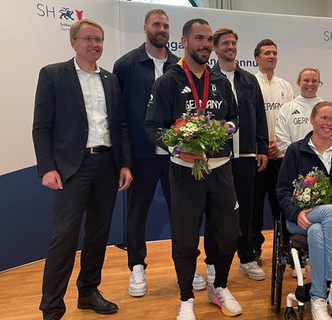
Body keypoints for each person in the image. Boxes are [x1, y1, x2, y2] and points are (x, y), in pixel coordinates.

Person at [32, 19, 133, 320]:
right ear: (73, 42)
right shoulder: (52, 75)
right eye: (88, 39)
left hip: (107, 164)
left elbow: (121, 125)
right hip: (70, 169)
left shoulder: (111, 79)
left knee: (98, 234)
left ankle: (88, 291)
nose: (94, 45)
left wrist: (125, 163)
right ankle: (51, 307)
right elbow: (41, 128)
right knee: (64, 237)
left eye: (99, 39)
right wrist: (47, 168)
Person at [144, 18, 242, 319]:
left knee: (229, 235)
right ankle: (186, 298)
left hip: (221, 170)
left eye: (209, 39)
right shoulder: (168, 81)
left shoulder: (221, 81)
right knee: (186, 238)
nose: (206, 45)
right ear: (184, 42)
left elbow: (235, 120)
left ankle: (220, 286)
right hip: (184, 173)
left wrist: (224, 128)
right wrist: (176, 146)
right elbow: (151, 126)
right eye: (199, 38)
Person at [113, 8, 206, 297]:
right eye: (156, 24)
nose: (161, 29)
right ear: (145, 28)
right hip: (141, 155)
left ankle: (185, 268)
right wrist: (124, 160)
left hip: (177, 155)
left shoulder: (181, 68)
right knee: (137, 213)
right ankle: (137, 267)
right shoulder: (126, 65)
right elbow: (121, 118)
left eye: (165, 25)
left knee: (182, 213)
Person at [277, 101, 332, 320]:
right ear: (312, 120)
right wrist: (296, 213)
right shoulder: (296, 151)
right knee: (326, 215)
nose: (328, 123)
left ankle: (317, 299)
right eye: (324, 118)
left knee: (321, 226)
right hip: (301, 219)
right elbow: (283, 191)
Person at [203, 27, 269, 284]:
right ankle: (211, 262)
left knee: (246, 211)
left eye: (234, 43)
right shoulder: (208, 78)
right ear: (215, 48)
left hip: (247, 155)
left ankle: (247, 258)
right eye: (225, 43)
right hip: (218, 158)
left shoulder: (249, 80)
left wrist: (261, 148)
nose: (230, 47)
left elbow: (260, 116)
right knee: (216, 211)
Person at [251, 39, 294, 265]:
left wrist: (281, 145)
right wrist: (262, 147)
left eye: (275, 53)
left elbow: (290, 122)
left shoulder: (286, 87)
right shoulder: (249, 83)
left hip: (282, 157)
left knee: (282, 205)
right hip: (258, 157)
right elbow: (249, 121)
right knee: (255, 206)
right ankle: (255, 249)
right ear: (257, 58)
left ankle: (286, 247)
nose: (272, 56)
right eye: (267, 53)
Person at [276, 67, 332, 154]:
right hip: (294, 160)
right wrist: (298, 155)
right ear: (298, 83)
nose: (310, 84)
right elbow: (281, 139)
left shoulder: (328, 109)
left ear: (319, 83)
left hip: (323, 159)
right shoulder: (286, 109)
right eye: (306, 80)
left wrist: (320, 154)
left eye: (314, 81)